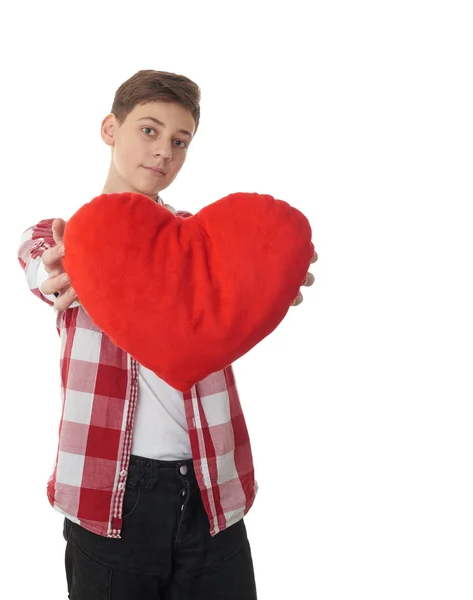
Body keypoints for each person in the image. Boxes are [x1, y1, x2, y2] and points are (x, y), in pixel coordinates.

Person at [17, 69, 317, 599]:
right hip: (110, 489)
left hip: (210, 483)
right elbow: (41, 268)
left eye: (180, 142)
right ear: (111, 128)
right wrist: (55, 270)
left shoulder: (203, 241)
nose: (164, 153)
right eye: (149, 131)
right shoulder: (64, 234)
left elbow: (239, 283)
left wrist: (271, 278)